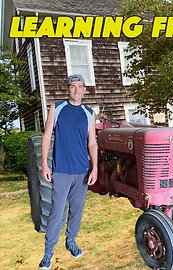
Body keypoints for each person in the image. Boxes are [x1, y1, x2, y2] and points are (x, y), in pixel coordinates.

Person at [39, 74, 98, 270]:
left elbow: (92, 143)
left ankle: (71, 241)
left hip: (81, 170)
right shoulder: (57, 108)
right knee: (57, 212)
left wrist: (94, 167)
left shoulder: (89, 113)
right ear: (68, 89)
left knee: (77, 210)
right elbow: (47, 135)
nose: (76, 90)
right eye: (73, 86)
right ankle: (48, 251)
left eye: (80, 86)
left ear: (84, 89)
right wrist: (45, 165)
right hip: (61, 170)